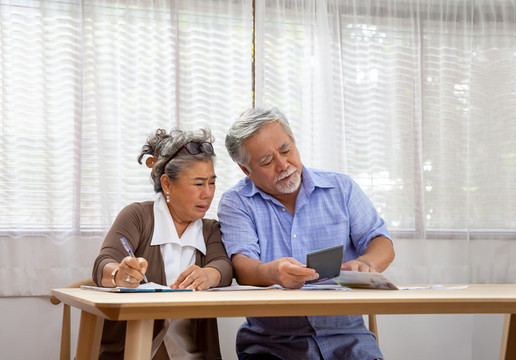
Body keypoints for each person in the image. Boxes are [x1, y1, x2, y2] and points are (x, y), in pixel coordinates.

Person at [218, 107, 395, 360]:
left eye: (286, 150)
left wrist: (366, 264)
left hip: (349, 340)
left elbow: (381, 242)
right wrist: (272, 272)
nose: (283, 165)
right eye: (267, 161)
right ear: (246, 171)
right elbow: (242, 265)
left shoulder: (340, 187)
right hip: (272, 345)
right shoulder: (237, 202)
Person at [92, 128, 233, 360]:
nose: (208, 194)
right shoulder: (137, 216)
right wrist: (120, 273)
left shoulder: (210, 229)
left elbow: (224, 266)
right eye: (198, 184)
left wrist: (209, 275)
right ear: (167, 184)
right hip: (132, 353)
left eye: (212, 183)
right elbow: (102, 264)